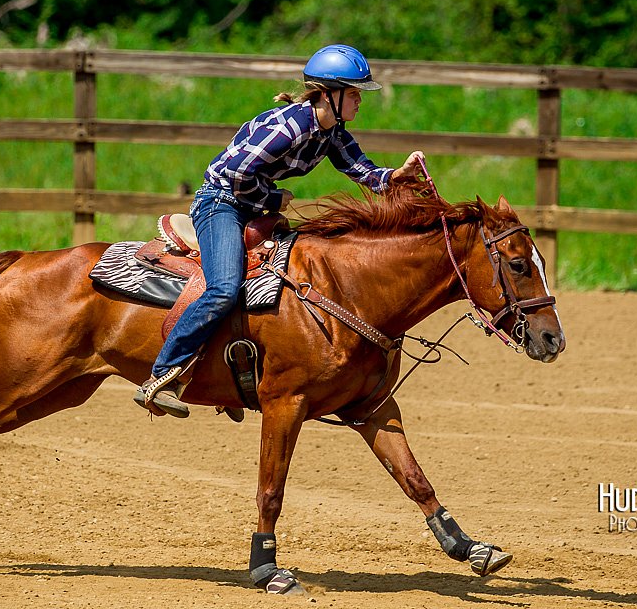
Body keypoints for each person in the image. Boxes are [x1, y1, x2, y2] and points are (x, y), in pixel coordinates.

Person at [135, 44, 426, 419]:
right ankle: (163, 374)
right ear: (328, 94)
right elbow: (237, 174)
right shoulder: (289, 127)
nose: (359, 101)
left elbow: (361, 170)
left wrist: (396, 177)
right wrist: (274, 197)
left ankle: (231, 377)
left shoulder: (331, 131)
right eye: (354, 93)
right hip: (221, 203)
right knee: (224, 288)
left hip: (253, 205)